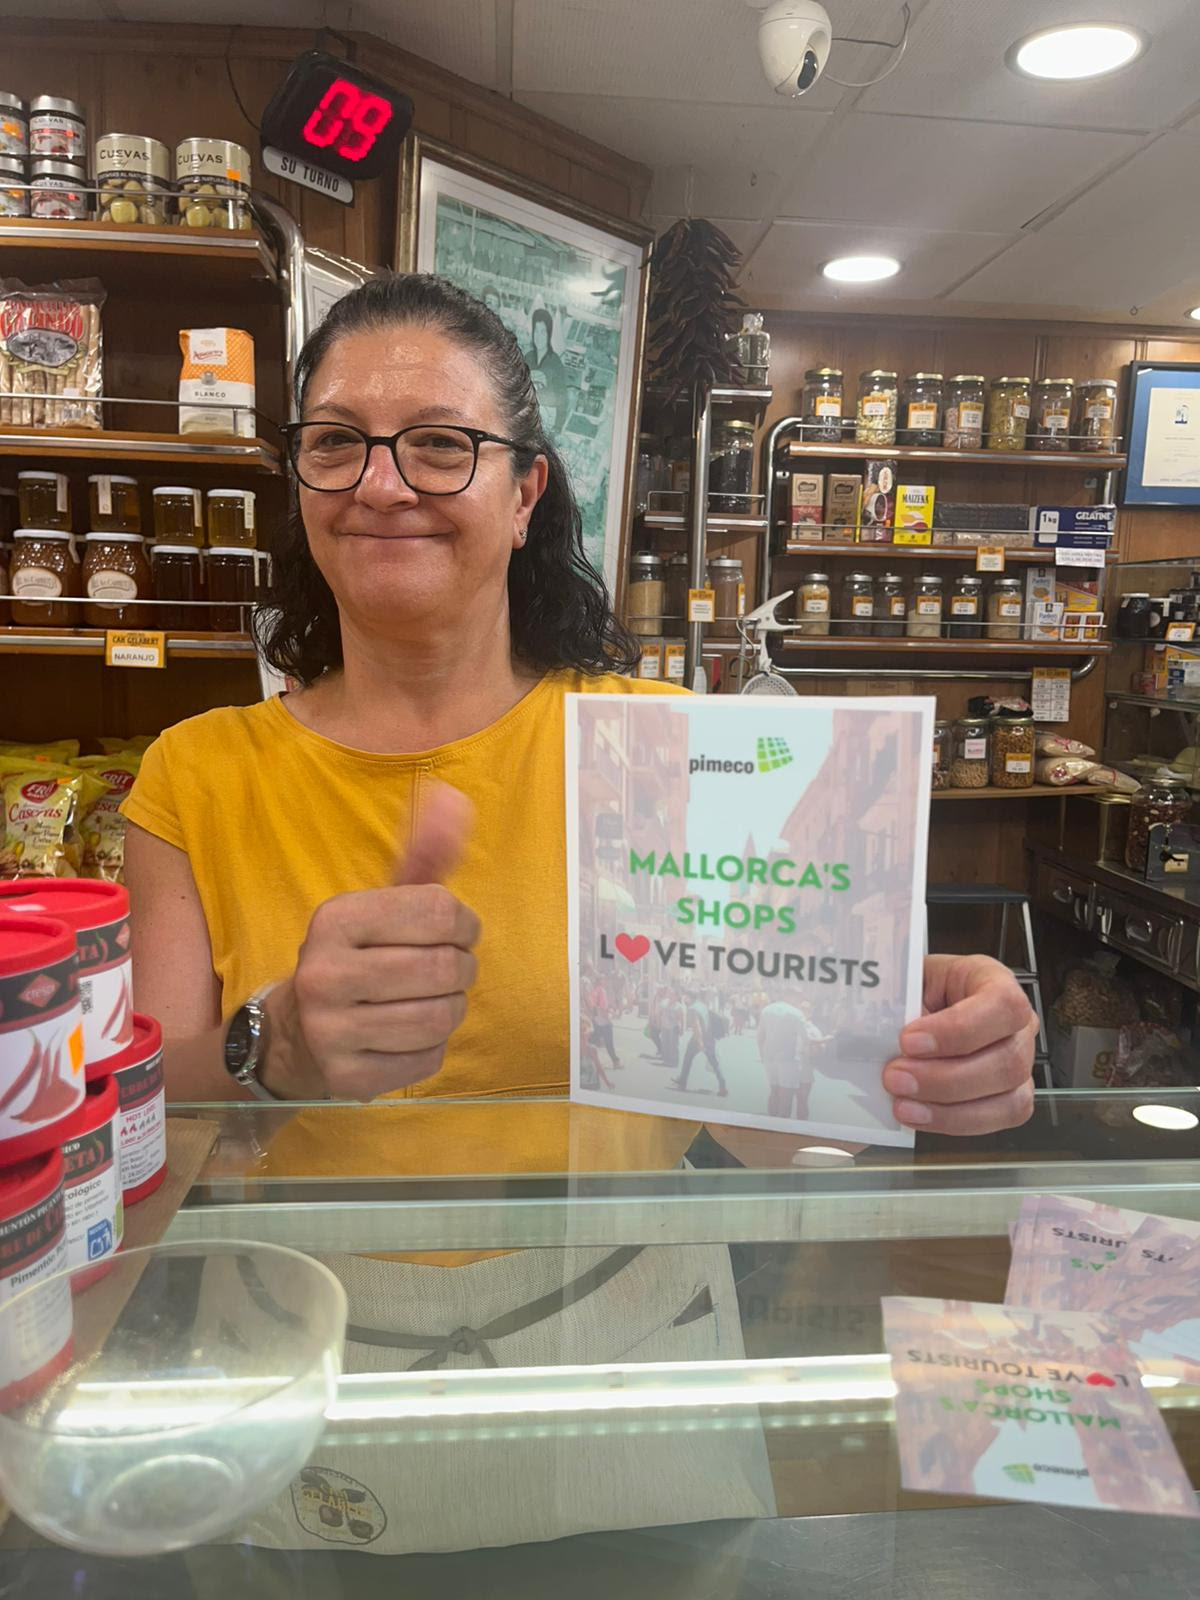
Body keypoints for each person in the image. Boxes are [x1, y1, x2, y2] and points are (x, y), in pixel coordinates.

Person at [123, 271, 1039, 1149]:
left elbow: (767, 1117)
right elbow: (140, 1123)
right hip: (280, 1266)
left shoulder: (665, 749)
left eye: (440, 443)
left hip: (621, 1261)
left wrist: (907, 1038)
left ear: (525, 494)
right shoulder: (195, 775)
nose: (381, 484)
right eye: (334, 441)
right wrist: (275, 1046)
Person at [671, 990, 728, 1097]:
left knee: (688, 1058)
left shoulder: (693, 1009)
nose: (684, 999)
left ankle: (682, 1082)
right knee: (714, 1062)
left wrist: (700, 1042)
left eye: (686, 997)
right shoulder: (702, 1005)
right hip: (709, 1037)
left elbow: (696, 1026)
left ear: (689, 997)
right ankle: (722, 1085)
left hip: (698, 1039)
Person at [524, 307, 570, 434]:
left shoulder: (555, 362)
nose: (539, 336)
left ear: (549, 334)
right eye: (536, 331)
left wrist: (558, 428)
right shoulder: (528, 357)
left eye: (543, 332)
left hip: (548, 420)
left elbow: (563, 398)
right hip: (528, 417)